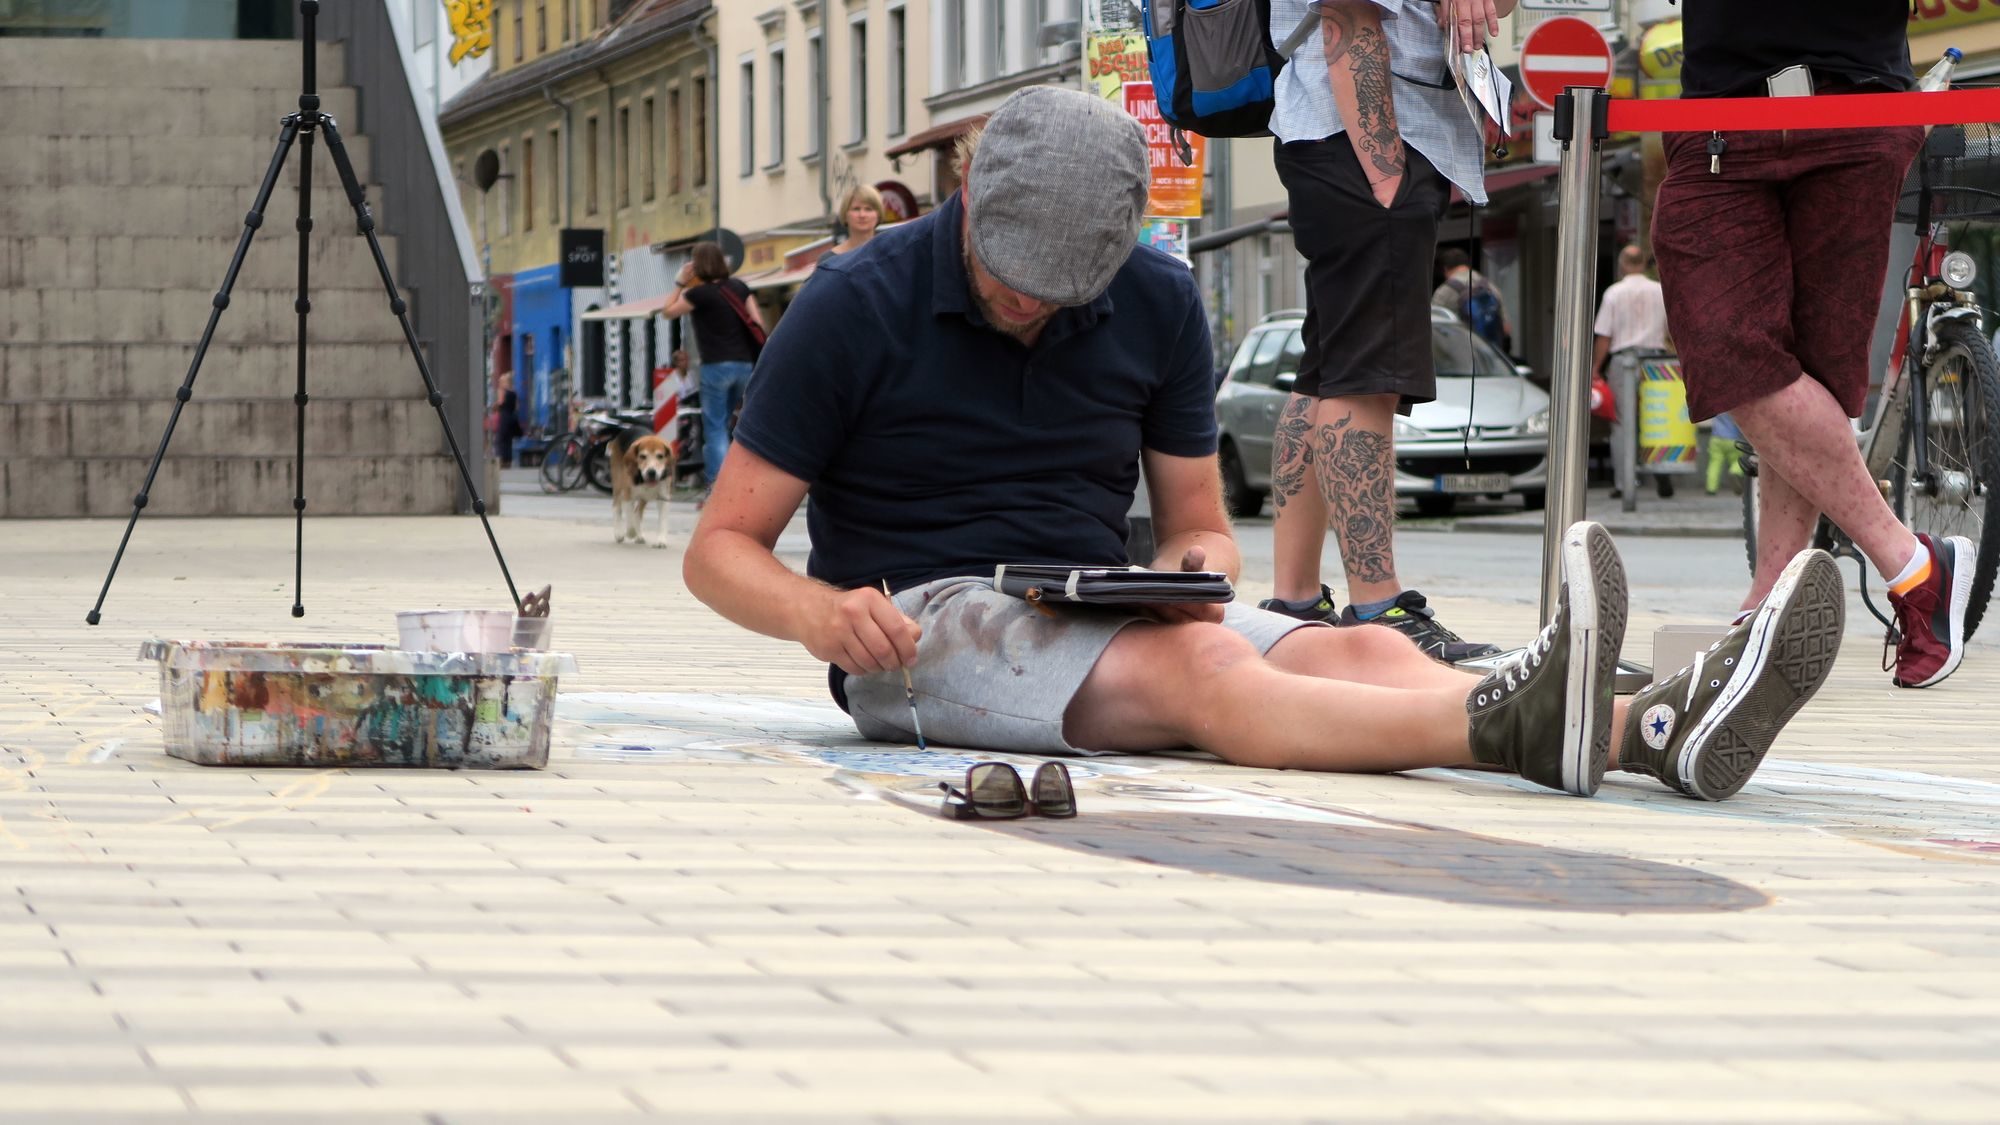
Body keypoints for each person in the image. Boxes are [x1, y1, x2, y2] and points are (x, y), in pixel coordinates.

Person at [683, 86, 1845, 803]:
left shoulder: (1151, 297)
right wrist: (818, 616)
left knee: (1352, 647)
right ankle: (1539, 725)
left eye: (1062, 291)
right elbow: (719, 549)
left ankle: (1645, 728)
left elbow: (1194, 522)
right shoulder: (851, 301)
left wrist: (1201, 569)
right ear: (968, 197)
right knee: (1205, 675)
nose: (1031, 307)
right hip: (924, 623)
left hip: (1098, 598)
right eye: (1009, 281)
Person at [1653, 1, 1976, 689]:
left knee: (1818, 363)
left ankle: (1772, 598)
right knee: (1723, 346)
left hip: (1856, 98)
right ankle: (1911, 562)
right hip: (1722, 110)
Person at [1257, 0, 1510, 663]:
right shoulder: (1375, 157)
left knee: (1327, 368)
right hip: (1367, 133)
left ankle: (1294, 602)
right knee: (1366, 377)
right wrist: (1385, 169)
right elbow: (1349, 16)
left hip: (1348, 133)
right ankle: (1378, 607)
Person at [661, 242, 765, 490]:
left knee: (716, 428)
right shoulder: (740, 288)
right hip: (745, 366)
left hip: (716, 367)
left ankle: (719, 489)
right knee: (737, 425)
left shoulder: (698, 294)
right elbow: (759, 324)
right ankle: (742, 483)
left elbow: (667, 312)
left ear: (696, 266)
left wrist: (679, 283)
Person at [1591, 244, 1672, 500]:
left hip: (1624, 360)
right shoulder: (1660, 291)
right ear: (1644, 264)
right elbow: (1672, 330)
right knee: (1657, 417)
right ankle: (1663, 471)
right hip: (1655, 361)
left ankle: (1624, 482)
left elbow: (1604, 335)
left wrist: (1596, 368)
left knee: (1622, 422)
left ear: (1623, 264)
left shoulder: (1614, 293)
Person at [1432, 247, 1513, 352]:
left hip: (1459, 358)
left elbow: (1433, 330)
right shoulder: (1491, 287)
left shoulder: (1445, 291)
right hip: (1488, 358)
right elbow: (1506, 328)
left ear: (1445, 269)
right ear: (1467, 265)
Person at [824, 183, 885, 259]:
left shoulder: (890, 254)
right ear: (845, 214)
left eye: (868, 209)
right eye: (856, 209)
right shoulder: (829, 260)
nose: (862, 215)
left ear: (878, 215)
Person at [493, 373, 523, 469]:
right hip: (511, 418)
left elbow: (499, 404)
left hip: (504, 418)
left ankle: (501, 462)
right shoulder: (513, 393)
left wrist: (495, 407)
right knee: (508, 441)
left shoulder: (503, 392)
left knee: (501, 440)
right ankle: (508, 462)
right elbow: (516, 406)